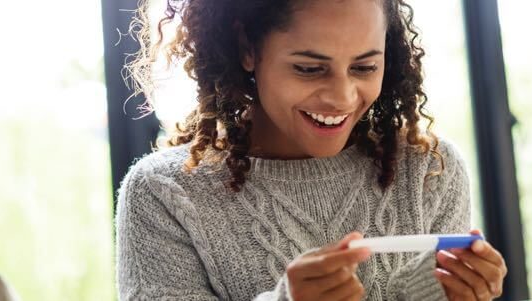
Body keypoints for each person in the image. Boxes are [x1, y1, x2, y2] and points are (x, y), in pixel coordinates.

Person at [115, 0, 507, 300]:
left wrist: (438, 292)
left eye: (365, 67)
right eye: (309, 68)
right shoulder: (163, 194)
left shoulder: (428, 171)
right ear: (246, 47)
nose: (342, 97)